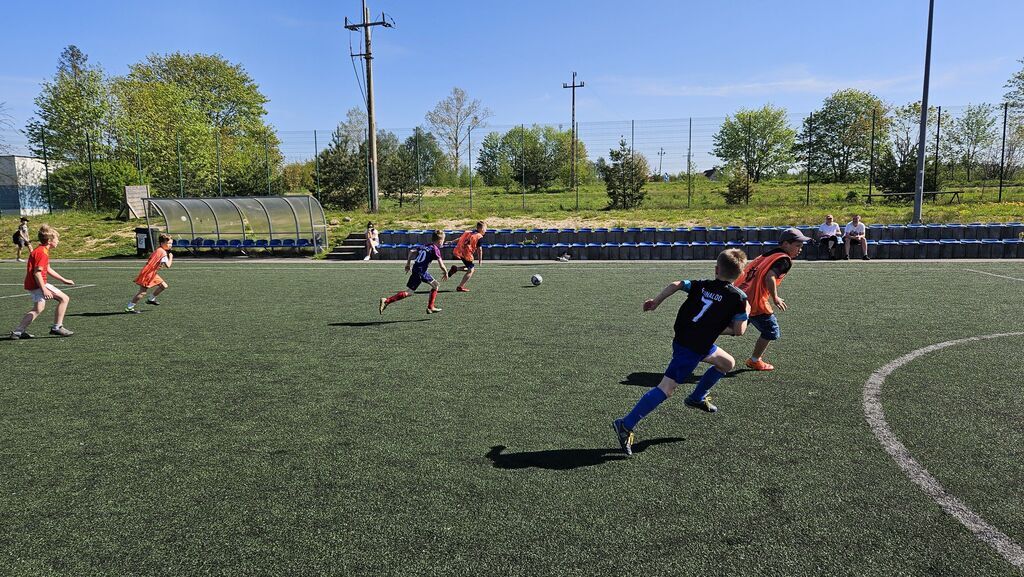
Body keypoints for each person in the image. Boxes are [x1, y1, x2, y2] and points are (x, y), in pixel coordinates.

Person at [612, 249, 750, 456]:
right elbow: (739, 331)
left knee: (727, 363)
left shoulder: (702, 284)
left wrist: (656, 302)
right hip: (692, 348)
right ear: (741, 273)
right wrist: (746, 313)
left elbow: (676, 284)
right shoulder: (739, 298)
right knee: (666, 389)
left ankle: (697, 397)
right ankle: (625, 424)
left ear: (716, 269)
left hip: (687, 339)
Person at [734, 227, 810, 371]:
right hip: (756, 302)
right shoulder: (784, 260)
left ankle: (701, 341)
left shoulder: (766, 255)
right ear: (786, 244)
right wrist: (775, 297)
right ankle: (755, 360)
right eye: (798, 246)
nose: (800, 249)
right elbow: (770, 276)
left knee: (734, 328)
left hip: (740, 294)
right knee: (771, 331)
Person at [10, 225, 75, 339]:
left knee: (38, 308)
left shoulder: (41, 250)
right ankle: (57, 327)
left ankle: (18, 332)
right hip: (38, 284)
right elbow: (37, 273)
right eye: (57, 239)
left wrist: (64, 280)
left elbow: (48, 269)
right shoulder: (42, 253)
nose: (58, 241)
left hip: (33, 284)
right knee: (64, 299)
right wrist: (44, 289)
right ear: (50, 241)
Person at [379, 230, 450, 315]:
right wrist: (446, 272)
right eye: (443, 240)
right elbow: (441, 265)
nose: (443, 242)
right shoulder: (435, 249)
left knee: (433, 285)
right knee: (413, 291)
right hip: (421, 272)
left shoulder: (426, 245)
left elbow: (411, 251)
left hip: (416, 269)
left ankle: (430, 307)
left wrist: (408, 263)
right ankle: (387, 300)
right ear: (439, 241)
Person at [126, 234, 174, 313]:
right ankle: (129, 307)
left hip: (151, 272)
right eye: (168, 243)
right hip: (148, 273)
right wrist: (171, 257)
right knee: (142, 292)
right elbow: (168, 265)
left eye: (171, 243)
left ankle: (151, 299)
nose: (170, 245)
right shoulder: (163, 253)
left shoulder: (159, 250)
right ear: (162, 243)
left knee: (163, 286)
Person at [448, 221, 486, 292]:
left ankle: (456, 269)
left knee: (470, 268)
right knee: (471, 270)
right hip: (466, 253)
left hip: (460, 251)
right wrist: (480, 260)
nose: (485, 231)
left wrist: (452, 241)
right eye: (485, 229)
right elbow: (479, 250)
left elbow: (460, 238)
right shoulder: (479, 237)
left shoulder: (469, 232)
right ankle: (460, 286)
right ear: (481, 229)